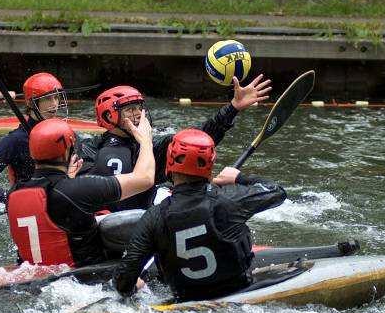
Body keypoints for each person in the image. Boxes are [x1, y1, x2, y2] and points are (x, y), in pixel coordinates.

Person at [113, 128, 286, 302]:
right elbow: (277, 192)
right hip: (240, 291)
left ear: (169, 162)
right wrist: (239, 178)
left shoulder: (154, 216)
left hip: (185, 305)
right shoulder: (230, 199)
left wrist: (132, 284)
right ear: (209, 164)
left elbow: (123, 281)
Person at [78, 75, 271, 212]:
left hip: (143, 221)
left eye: (139, 108)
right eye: (129, 110)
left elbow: (198, 138)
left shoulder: (152, 148)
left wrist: (232, 108)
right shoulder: (88, 150)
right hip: (106, 225)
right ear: (108, 115)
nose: (138, 114)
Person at [7, 113, 154, 268]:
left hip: (34, 277)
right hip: (87, 280)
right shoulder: (77, 189)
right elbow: (145, 179)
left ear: (32, 153)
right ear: (67, 151)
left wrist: (67, 180)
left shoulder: (13, 194)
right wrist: (145, 141)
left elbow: (51, 217)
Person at [0, 72, 69, 204]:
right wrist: (12, 199)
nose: (54, 104)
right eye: (47, 98)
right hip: (28, 206)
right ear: (31, 102)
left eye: (56, 98)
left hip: (59, 199)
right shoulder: (15, 140)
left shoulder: (64, 132)